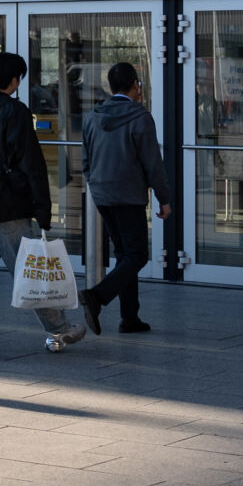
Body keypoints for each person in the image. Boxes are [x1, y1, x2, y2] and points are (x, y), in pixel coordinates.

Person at [0, 50, 84, 360]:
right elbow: (31, 162)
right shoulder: (16, 112)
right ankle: (59, 328)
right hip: (7, 205)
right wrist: (42, 205)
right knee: (31, 272)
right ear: (14, 80)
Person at [77, 62, 169, 336]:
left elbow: (85, 160)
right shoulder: (140, 117)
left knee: (125, 254)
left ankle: (130, 317)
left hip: (102, 195)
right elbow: (153, 164)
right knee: (137, 255)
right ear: (135, 85)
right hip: (129, 196)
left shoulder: (93, 116)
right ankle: (97, 296)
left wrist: (95, 184)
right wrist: (163, 198)